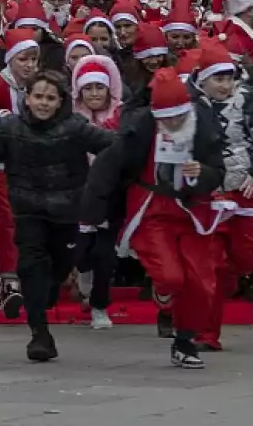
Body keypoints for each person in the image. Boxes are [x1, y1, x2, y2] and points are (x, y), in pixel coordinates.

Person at [81, 68, 226, 369]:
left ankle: (184, 340)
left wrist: (203, 174)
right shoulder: (140, 127)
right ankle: (164, 290)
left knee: (202, 284)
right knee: (172, 276)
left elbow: (217, 170)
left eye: (179, 116)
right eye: (166, 117)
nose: (173, 122)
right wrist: (93, 213)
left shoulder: (204, 123)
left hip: (192, 209)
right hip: (151, 209)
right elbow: (107, 167)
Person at [0, 71, 117, 361]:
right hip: (27, 210)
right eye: (38, 97)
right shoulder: (10, 127)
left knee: (58, 269)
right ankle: (39, 334)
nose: (43, 103)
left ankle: (52, 289)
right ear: (27, 98)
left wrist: (101, 182)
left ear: (60, 102)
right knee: (31, 269)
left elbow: (112, 146)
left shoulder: (76, 127)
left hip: (67, 212)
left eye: (50, 98)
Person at [188, 41, 253, 351]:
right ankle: (206, 333)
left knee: (248, 253)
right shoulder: (189, 106)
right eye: (218, 79)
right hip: (209, 192)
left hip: (245, 189)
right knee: (210, 263)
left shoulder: (249, 100)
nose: (225, 85)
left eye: (229, 78)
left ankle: (228, 283)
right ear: (203, 80)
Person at [0, 28, 45, 318]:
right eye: (23, 59)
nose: (28, 65)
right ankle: (8, 278)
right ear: (11, 60)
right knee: (7, 221)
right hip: (5, 164)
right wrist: (5, 119)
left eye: (33, 59)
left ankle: (27, 276)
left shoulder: (37, 84)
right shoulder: (0, 84)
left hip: (33, 164)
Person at [70, 55, 125, 329]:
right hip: (78, 196)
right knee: (82, 254)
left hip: (109, 196)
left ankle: (99, 305)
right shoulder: (70, 119)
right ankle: (84, 280)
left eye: (99, 88)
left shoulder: (121, 115)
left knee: (106, 255)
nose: (94, 94)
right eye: (88, 88)